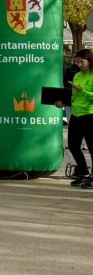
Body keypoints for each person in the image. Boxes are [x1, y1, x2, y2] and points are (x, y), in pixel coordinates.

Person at [56, 49, 93, 188]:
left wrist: (82, 91)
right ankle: (83, 172)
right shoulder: (77, 75)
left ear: (89, 60)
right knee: (73, 145)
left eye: (81, 62)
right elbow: (74, 97)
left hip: (90, 115)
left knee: (91, 147)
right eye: (76, 62)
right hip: (76, 115)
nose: (78, 64)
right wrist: (63, 102)